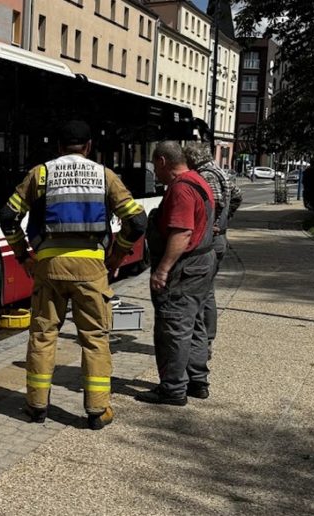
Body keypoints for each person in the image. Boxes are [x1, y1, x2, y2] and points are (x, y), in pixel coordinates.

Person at [0, 121, 146, 430]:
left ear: (58, 146)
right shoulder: (105, 175)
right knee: (94, 338)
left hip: (49, 266)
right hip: (92, 268)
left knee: (42, 335)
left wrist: (24, 256)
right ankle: (96, 411)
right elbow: (137, 220)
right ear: (89, 146)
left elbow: (10, 217)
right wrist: (117, 254)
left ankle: (36, 406)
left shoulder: (40, 174)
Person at [135, 141, 216, 406]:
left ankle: (172, 389)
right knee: (195, 325)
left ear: (162, 161)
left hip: (185, 268)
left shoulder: (180, 189)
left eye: (154, 166)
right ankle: (197, 382)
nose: (154, 173)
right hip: (202, 263)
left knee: (174, 328)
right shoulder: (199, 180)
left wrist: (162, 270)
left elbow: (182, 232)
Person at [184, 143, 242, 395]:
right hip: (220, 237)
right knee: (207, 291)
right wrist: (227, 220)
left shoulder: (206, 175)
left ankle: (205, 340)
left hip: (213, 239)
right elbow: (237, 195)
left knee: (205, 293)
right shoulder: (221, 171)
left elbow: (214, 202)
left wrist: (215, 224)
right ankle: (205, 339)